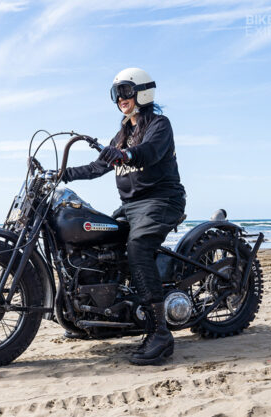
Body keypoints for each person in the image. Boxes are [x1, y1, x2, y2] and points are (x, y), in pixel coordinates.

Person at [61, 68, 186, 365]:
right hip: (131, 205)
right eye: (117, 93)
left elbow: (150, 151)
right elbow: (96, 167)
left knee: (138, 247)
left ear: (142, 92)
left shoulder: (159, 124)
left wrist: (126, 155)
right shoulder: (124, 132)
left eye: (126, 91)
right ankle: (94, 316)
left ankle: (159, 333)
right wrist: (62, 174)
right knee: (100, 238)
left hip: (161, 200)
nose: (121, 98)